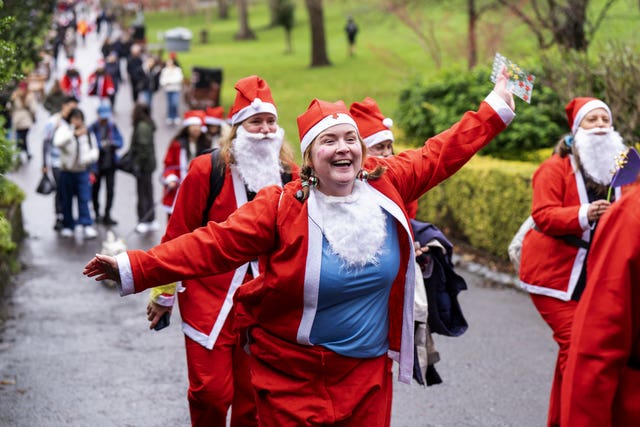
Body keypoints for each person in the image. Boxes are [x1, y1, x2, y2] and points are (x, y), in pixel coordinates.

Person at [84, 70, 514, 426]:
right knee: (212, 393)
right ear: (308, 160)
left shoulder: (387, 181)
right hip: (293, 375)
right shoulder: (281, 207)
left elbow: (445, 151)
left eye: (351, 139)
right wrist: (133, 267)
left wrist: (494, 108)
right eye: (329, 141)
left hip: (366, 378)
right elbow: (208, 244)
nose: (343, 148)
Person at [146, 75, 298, 427]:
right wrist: (164, 293)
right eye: (255, 122)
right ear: (237, 129)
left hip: (263, 304)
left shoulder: (290, 176)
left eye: (270, 122)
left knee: (254, 399)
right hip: (208, 299)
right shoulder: (207, 170)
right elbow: (178, 233)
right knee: (210, 393)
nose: (263, 130)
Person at [518, 97, 632, 427]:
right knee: (577, 348)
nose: (599, 125)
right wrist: (585, 214)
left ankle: (560, 419)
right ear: (575, 130)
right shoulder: (553, 168)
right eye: (590, 120)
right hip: (553, 276)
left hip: (598, 276)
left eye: (603, 119)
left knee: (575, 351)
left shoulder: (625, 169)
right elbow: (542, 215)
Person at [560, 182, 640, 427]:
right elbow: (598, 345)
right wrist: (583, 213)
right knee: (569, 342)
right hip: (559, 275)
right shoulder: (631, 213)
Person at [53, 107, 99, 239]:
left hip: (82, 171)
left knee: (84, 198)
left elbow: (95, 149)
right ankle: (68, 225)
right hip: (67, 171)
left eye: (79, 119)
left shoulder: (88, 133)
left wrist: (88, 159)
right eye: (75, 118)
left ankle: (86, 224)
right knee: (66, 199)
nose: (77, 121)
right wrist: (73, 133)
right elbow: (58, 142)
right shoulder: (64, 130)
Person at [160, 110, 210, 217]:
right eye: (193, 126)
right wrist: (171, 178)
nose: (196, 129)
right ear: (187, 128)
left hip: (198, 186)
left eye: (198, 126)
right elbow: (169, 164)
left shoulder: (206, 144)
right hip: (179, 185)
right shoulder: (177, 144)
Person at [43, 95, 79, 231]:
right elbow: (45, 143)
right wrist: (44, 165)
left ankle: (67, 216)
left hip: (71, 163)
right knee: (60, 189)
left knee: (69, 190)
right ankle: (59, 216)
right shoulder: (53, 122)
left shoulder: (73, 123)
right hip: (57, 161)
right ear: (64, 106)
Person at [88, 103, 124, 226]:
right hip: (97, 166)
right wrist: (100, 145)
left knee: (110, 191)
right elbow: (88, 145)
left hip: (110, 165)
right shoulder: (92, 128)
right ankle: (97, 213)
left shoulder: (112, 126)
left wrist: (112, 143)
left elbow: (121, 141)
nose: (104, 119)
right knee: (95, 190)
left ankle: (107, 214)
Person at [128, 103, 159, 234]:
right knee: (148, 191)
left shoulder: (141, 127)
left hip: (144, 166)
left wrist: (137, 164)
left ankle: (144, 219)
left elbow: (143, 148)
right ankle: (149, 218)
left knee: (143, 193)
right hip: (148, 165)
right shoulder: (147, 125)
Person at [7, 81, 37, 160]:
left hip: (21, 119)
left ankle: (20, 152)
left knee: (21, 137)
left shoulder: (28, 96)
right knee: (22, 137)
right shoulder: (16, 96)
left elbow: (9, 107)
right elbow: (33, 109)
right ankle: (24, 153)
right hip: (22, 119)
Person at [158, 57, 184, 125]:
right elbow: (162, 81)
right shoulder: (165, 70)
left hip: (175, 89)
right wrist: (169, 81)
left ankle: (176, 116)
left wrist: (169, 81)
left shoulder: (177, 70)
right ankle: (170, 116)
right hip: (168, 90)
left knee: (175, 103)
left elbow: (179, 79)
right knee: (169, 104)